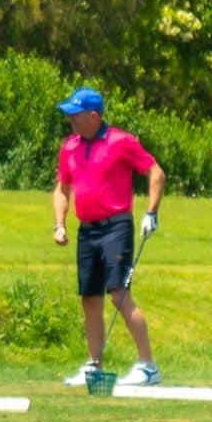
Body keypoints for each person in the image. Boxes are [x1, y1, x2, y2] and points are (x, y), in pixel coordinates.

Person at [51, 88, 163, 388]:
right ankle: (94, 366)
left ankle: (147, 366)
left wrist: (151, 212)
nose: (70, 120)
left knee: (118, 293)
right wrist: (59, 224)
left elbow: (155, 173)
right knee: (90, 299)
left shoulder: (120, 141)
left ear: (93, 115)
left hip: (117, 227)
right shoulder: (70, 146)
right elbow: (62, 188)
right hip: (86, 230)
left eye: (75, 115)